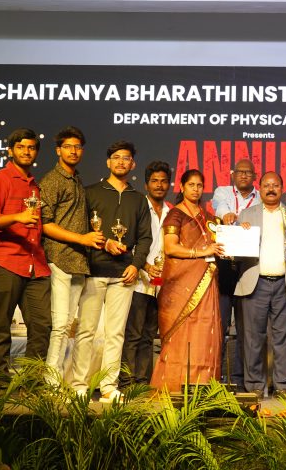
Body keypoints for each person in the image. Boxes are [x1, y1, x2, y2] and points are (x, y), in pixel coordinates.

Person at [71, 141, 152, 402]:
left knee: (116, 333)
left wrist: (135, 265)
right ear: (108, 162)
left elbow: (145, 238)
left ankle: (108, 386)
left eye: (126, 158)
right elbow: (81, 230)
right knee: (86, 331)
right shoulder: (91, 192)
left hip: (123, 274)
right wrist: (104, 242)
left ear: (132, 164)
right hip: (94, 270)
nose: (120, 162)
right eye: (116, 157)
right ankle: (79, 385)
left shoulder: (138, 199)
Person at [0, 128, 52, 393]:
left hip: (36, 264)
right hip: (6, 261)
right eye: (21, 147)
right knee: (0, 326)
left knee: (42, 326)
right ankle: (0, 385)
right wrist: (18, 217)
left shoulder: (35, 185)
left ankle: (31, 384)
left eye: (31, 147)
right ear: (10, 150)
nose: (26, 152)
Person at [40, 126, 105, 385]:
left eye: (78, 147)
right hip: (59, 258)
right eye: (68, 147)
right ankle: (51, 382)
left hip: (78, 261)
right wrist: (82, 239)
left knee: (68, 325)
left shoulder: (77, 179)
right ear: (58, 150)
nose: (73, 151)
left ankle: (58, 380)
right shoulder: (51, 180)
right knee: (59, 326)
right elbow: (45, 224)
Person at [151, 169, 224, 393]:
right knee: (182, 334)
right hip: (181, 284)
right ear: (182, 187)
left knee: (205, 332)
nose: (195, 189)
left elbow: (220, 246)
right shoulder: (175, 215)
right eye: (191, 185)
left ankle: (204, 387)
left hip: (206, 282)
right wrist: (200, 252)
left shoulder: (210, 219)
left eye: (199, 185)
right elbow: (171, 248)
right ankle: (174, 387)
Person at [235, 171, 286, 400]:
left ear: (282, 188)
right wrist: (240, 232)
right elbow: (235, 250)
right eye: (266, 185)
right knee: (253, 338)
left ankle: (283, 387)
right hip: (256, 283)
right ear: (259, 188)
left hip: (284, 283)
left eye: (275, 185)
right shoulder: (246, 214)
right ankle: (255, 386)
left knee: (284, 340)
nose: (271, 189)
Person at [120, 160, 172, 388]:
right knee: (132, 334)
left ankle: (142, 384)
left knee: (149, 335)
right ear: (146, 184)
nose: (159, 185)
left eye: (163, 181)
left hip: (160, 284)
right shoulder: (138, 208)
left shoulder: (171, 212)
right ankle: (126, 382)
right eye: (154, 181)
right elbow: (128, 242)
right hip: (138, 281)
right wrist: (144, 266)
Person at [211, 158, 259, 387]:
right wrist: (229, 215)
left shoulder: (260, 198)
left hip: (248, 268)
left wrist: (245, 220)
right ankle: (216, 378)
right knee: (219, 327)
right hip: (225, 267)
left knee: (244, 329)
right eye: (239, 171)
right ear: (233, 174)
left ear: (255, 176)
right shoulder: (222, 192)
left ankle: (240, 381)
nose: (243, 175)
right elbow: (221, 208)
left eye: (248, 172)